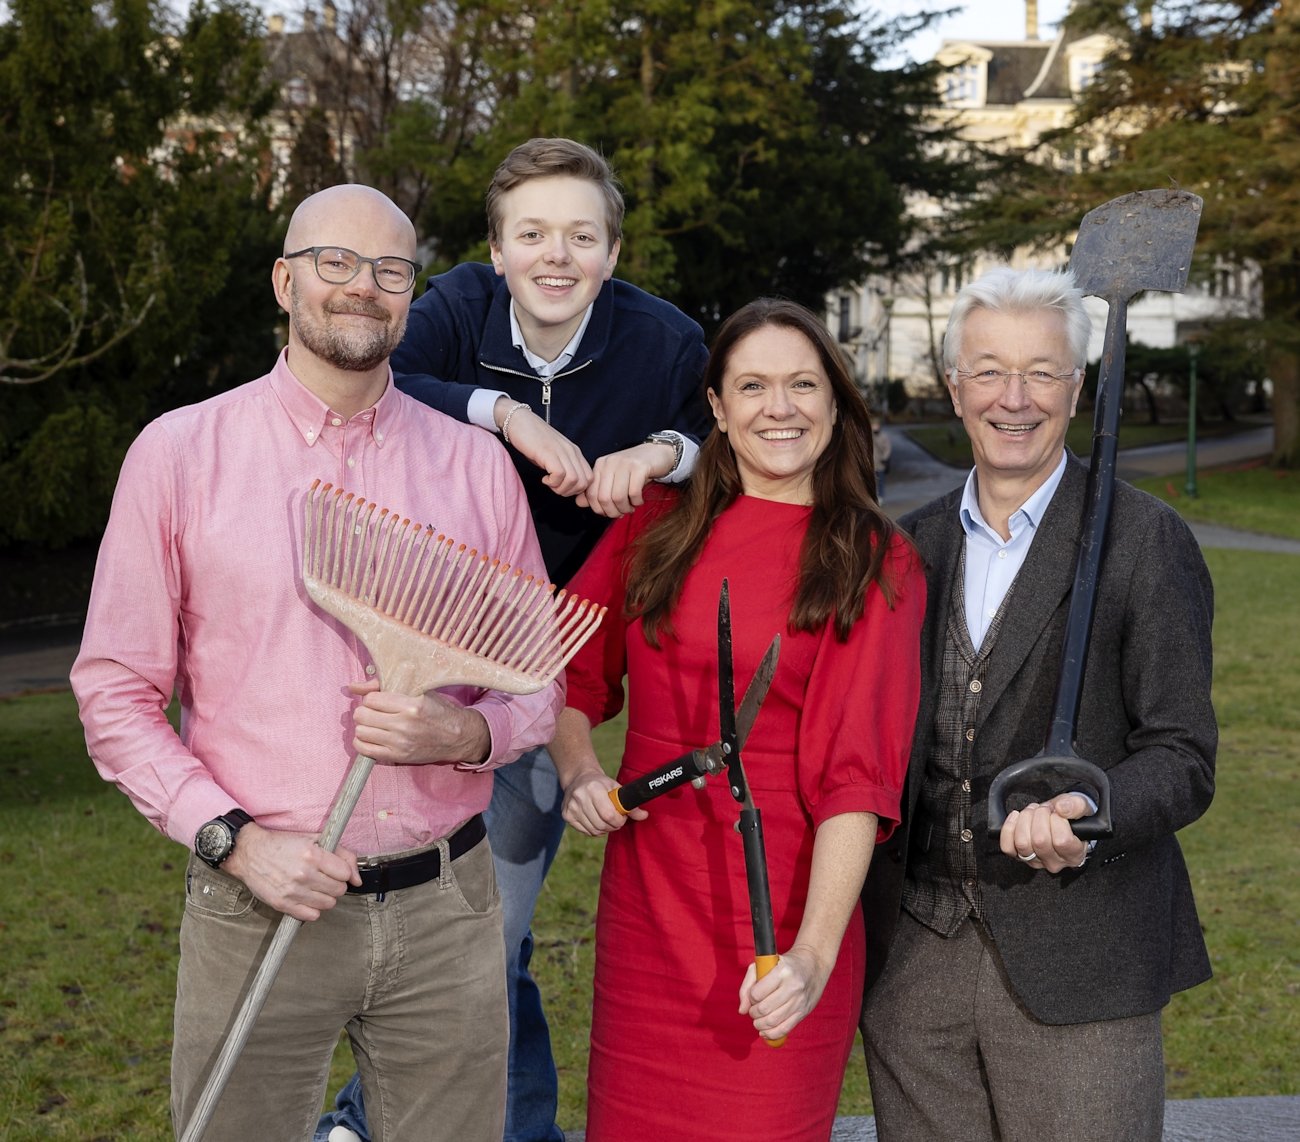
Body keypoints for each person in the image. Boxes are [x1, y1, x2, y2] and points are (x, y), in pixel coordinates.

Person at [70, 184, 563, 1142]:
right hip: (256, 900)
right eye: (335, 262)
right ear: (284, 281)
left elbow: (538, 683)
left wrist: (468, 731)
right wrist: (235, 842)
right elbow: (115, 694)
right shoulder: (179, 455)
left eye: (391, 270)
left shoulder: (474, 468)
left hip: (446, 909)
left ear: (411, 295)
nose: (362, 286)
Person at [318, 137, 710, 1142]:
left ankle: (358, 1120)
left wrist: (659, 452)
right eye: (531, 234)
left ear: (612, 252)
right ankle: (518, 1125)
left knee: (491, 928)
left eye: (580, 236)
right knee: (458, 931)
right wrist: (503, 415)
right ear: (496, 251)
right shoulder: (452, 308)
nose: (555, 256)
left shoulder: (664, 340)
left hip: (540, 669)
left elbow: (728, 431)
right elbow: (375, 375)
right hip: (425, 646)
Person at [549, 298, 925, 1141]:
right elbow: (569, 674)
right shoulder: (656, 525)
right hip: (649, 912)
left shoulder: (872, 559)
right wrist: (579, 770)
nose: (778, 407)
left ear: (836, 402)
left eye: (803, 384)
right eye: (752, 386)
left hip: (786, 914)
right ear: (717, 407)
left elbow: (858, 782)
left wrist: (813, 956)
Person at [859, 267, 1217, 1141]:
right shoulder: (909, 547)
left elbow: (1182, 754)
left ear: (1077, 388)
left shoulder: (1144, 539)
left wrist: (1094, 805)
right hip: (915, 963)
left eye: (1040, 373)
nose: (1013, 398)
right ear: (954, 387)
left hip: (1082, 957)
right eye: (988, 371)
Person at [872, 415, 892, 504]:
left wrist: (884, 457)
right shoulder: (869, 435)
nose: (874, 427)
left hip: (881, 464)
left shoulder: (884, 436)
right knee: (872, 482)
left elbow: (887, 448)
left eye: (876, 425)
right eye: (873, 425)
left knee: (881, 482)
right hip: (872, 464)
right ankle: (873, 496)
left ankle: (880, 497)